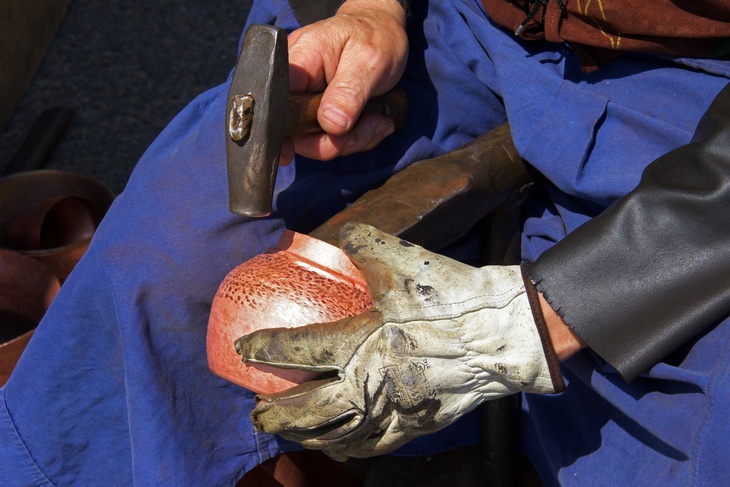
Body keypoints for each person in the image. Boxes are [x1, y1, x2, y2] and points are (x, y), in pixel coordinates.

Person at [1, 0, 729, 485]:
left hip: (696, 99)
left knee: (694, 439)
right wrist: (366, 5)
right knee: (163, 264)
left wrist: (544, 315)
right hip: (461, 22)